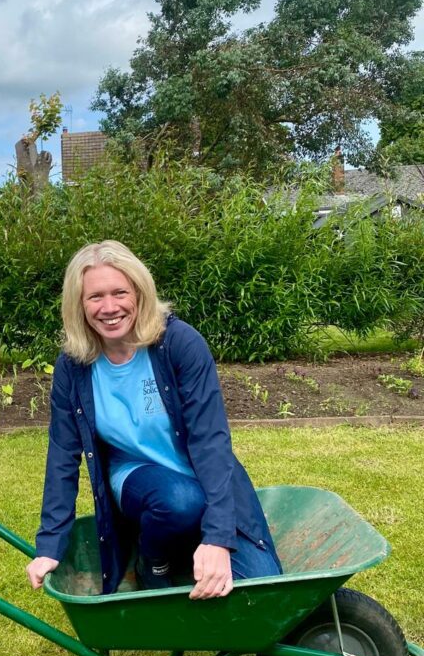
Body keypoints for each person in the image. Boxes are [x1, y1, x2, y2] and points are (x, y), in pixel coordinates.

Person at [26, 240, 282, 599]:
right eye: (95, 297)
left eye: (120, 292)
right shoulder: (74, 366)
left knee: (263, 588)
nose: (110, 307)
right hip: (138, 479)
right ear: (78, 305)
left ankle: (186, 548)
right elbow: (62, 456)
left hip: (204, 478)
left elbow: (211, 442)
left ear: (140, 292)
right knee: (179, 500)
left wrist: (219, 539)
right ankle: (153, 560)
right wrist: (50, 545)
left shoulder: (178, 344)